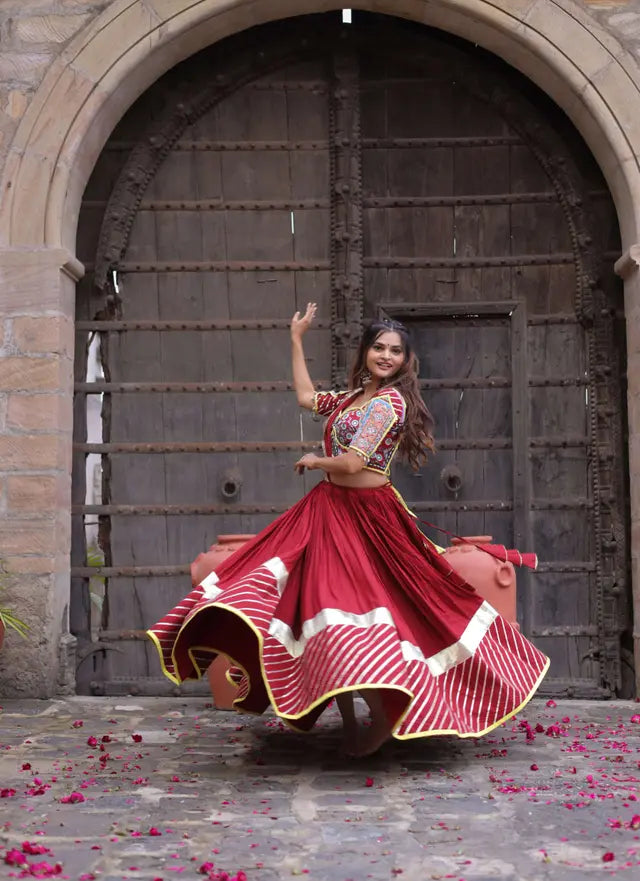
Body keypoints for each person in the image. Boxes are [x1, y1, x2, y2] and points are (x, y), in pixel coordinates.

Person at [148, 305, 549, 757]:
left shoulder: (389, 403)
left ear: (405, 360)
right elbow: (305, 397)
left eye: (395, 351)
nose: (386, 356)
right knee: (320, 610)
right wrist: (296, 338)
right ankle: (352, 718)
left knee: (370, 615)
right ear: (365, 351)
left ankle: (384, 718)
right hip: (328, 511)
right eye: (379, 347)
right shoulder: (352, 397)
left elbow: (356, 463)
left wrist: (317, 461)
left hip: (369, 519)